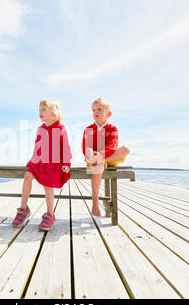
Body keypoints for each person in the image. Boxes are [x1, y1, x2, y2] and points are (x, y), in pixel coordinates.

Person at [12, 99, 72, 231]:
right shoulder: (40, 129)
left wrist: (66, 163)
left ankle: (50, 214)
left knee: (47, 186)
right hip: (39, 161)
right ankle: (23, 210)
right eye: (39, 110)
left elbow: (66, 148)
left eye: (44, 109)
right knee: (27, 175)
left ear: (53, 112)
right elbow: (37, 147)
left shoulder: (60, 128)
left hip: (53, 163)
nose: (40, 112)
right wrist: (32, 161)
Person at [82, 97, 130, 217]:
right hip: (93, 160)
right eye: (93, 110)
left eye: (99, 109)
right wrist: (91, 155)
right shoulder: (89, 129)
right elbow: (85, 145)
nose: (95, 112)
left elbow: (113, 145)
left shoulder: (112, 128)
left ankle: (101, 159)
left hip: (108, 156)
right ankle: (95, 203)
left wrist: (101, 155)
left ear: (108, 114)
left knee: (126, 149)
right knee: (98, 165)